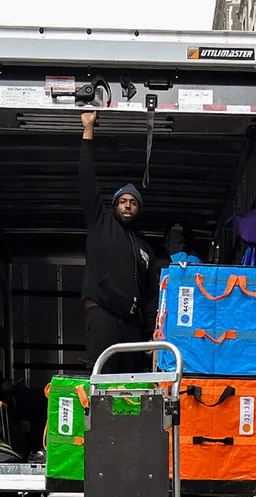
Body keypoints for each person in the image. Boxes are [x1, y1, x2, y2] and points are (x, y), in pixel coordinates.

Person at [78, 111, 182, 373]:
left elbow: (150, 297)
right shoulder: (100, 224)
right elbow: (87, 180)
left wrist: (151, 335)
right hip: (103, 315)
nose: (128, 205)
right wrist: (88, 131)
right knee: (102, 384)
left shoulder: (145, 247)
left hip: (133, 325)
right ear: (114, 206)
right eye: (123, 201)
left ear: (138, 210)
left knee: (132, 390)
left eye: (133, 203)